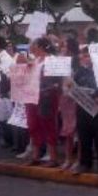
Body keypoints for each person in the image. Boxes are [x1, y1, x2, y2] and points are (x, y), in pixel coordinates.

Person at [71, 46, 98, 175]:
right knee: (84, 137)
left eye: (88, 56)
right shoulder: (79, 72)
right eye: (84, 56)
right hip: (83, 108)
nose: (86, 59)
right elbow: (71, 88)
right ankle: (85, 164)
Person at [25, 37, 62, 167]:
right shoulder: (35, 61)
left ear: (40, 47)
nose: (32, 48)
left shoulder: (52, 61)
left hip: (46, 97)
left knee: (48, 124)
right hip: (32, 97)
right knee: (33, 125)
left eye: (34, 45)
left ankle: (53, 158)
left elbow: (57, 82)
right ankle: (36, 156)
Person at [58, 38, 79, 170]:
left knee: (78, 130)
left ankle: (79, 159)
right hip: (65, 98)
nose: (63, 48)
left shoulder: (77, 62)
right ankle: (68, 158)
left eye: (65, 46)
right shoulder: (61, 61)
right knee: (67, 130)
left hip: (77, 98)